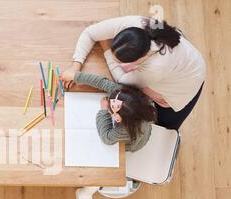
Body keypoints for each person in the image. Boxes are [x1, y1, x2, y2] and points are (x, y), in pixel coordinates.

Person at [67, 16, 206, 130]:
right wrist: (75, 66)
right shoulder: (136, 23)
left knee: (162, 128)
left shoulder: (156, 67)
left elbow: (121, 80)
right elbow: (90, 32)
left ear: (140, 60)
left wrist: (107, 51)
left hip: (186, 84)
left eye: (121, 61)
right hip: (184, 61)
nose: (117, 62)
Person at [60, 70, 156, 152]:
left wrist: (104, 111)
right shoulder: (123, 95)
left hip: (134, 142)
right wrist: (75, 76)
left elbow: (107, 138)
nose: (110, 100)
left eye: (111, 108)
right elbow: (102, 83)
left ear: (118, 118)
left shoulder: (124, 129)